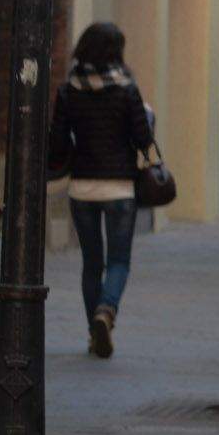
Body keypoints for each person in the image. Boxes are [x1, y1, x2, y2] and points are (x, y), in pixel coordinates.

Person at [47, 22, 154, 358]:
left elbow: (57, 141)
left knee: (91, 263)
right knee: (119, 260)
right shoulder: (127, 89)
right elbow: (143, 139)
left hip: (82, 188)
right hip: (120, 187)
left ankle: (94, 336)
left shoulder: (69, 90)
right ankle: (106, 311)